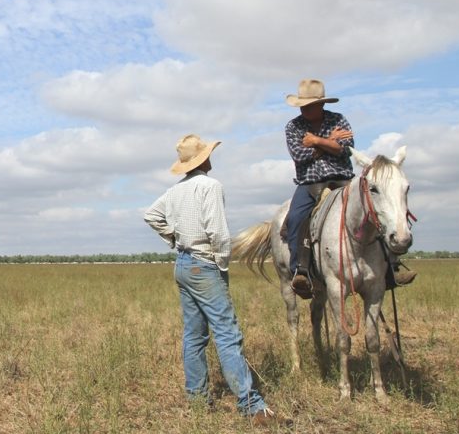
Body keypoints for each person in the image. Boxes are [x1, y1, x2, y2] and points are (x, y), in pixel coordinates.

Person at [144, 134, 282, 426]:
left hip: (182, 263)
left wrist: (173, 237)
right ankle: (252, 406)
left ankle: (197, 399)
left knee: (194, 336)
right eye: (207, 153)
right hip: (205, 264)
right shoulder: (210, 186)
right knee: (227, 335)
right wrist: (221, 262)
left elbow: (151, 215)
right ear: (204, 159)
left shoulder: (175, 191)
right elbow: (218, 232)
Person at [283, 79, 415, 297]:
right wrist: (329, 141)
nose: (304, 109)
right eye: (302, 105)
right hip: (310, 183)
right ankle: (300, 270)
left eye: (309, 105)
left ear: (321, 104)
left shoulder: (338, 119)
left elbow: (344, 150)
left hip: (343, 179)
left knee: (375, 210)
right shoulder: (293, 126)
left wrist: (315, 140)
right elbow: (300, 156)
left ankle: (392, 266)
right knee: (296, 217)